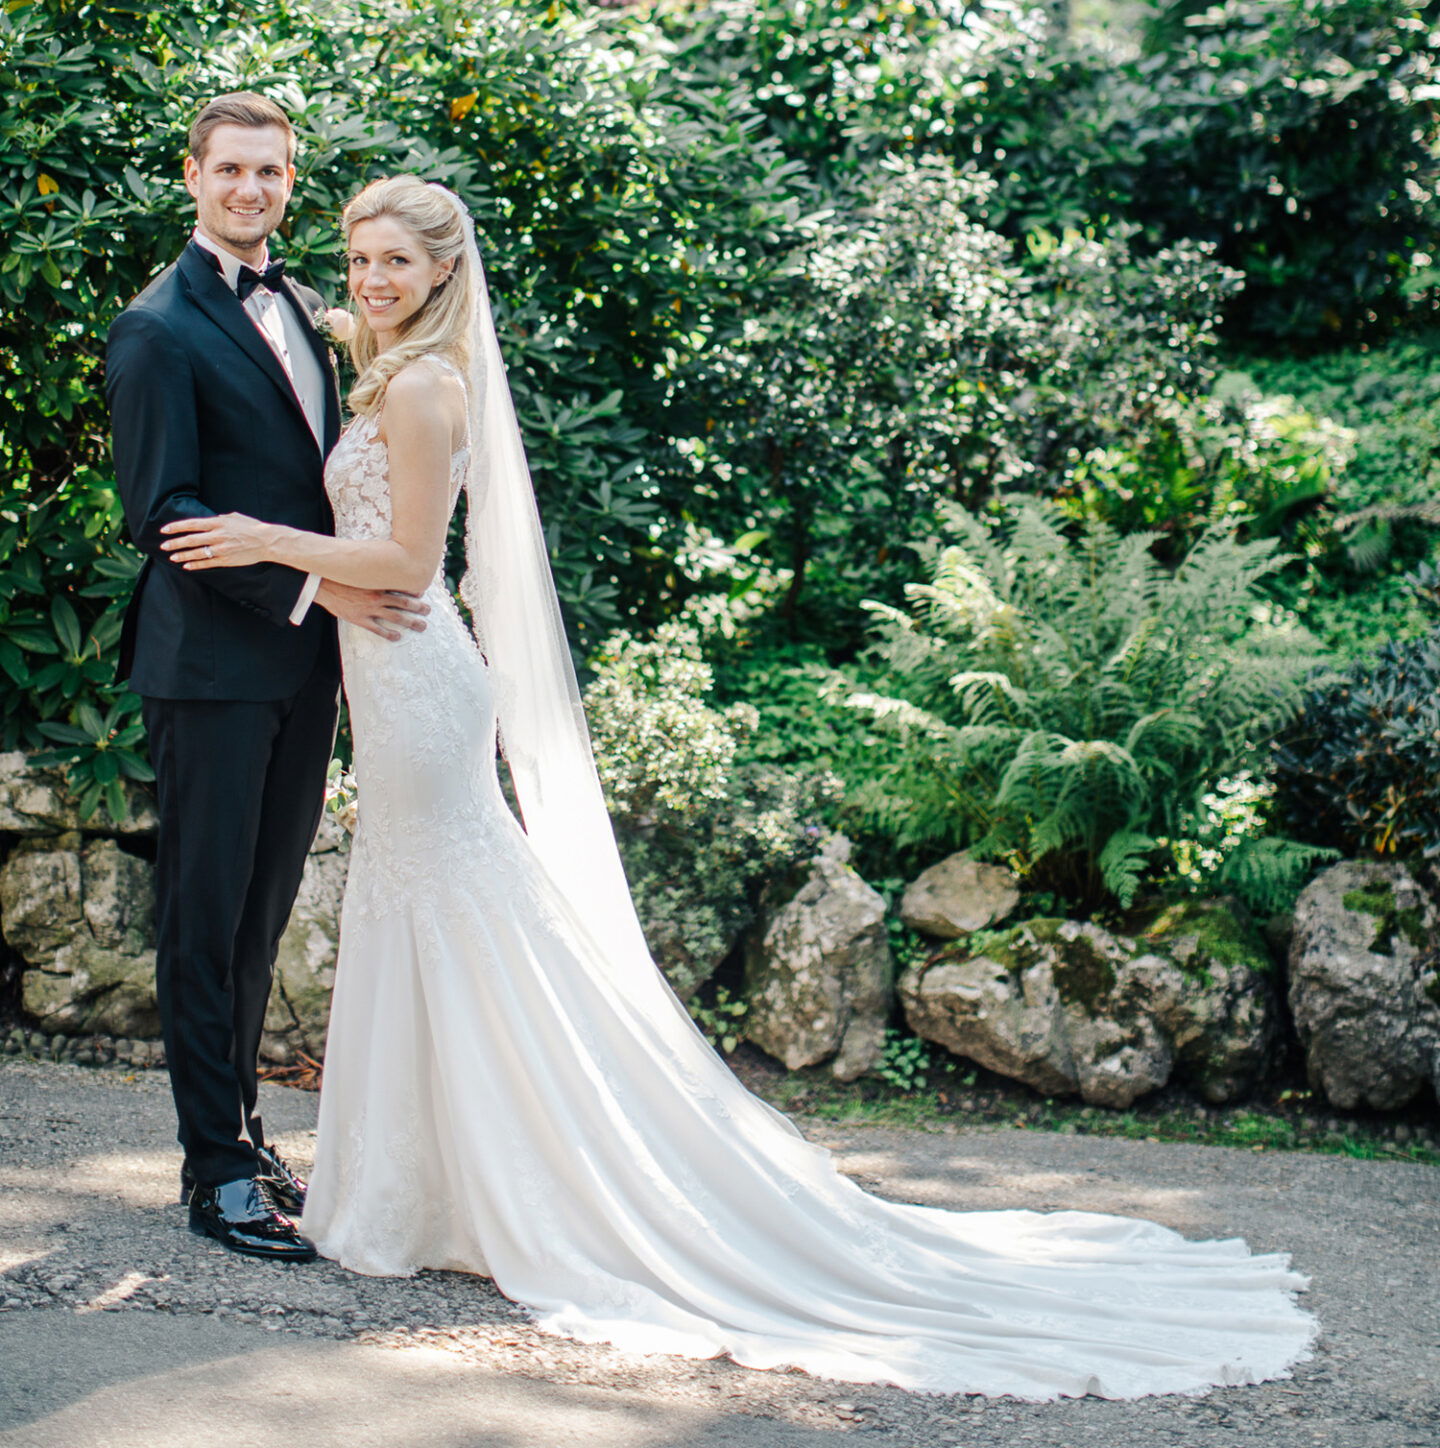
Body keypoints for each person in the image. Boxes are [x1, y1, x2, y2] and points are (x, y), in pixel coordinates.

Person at [160, 174, 1317, 1398]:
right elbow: (343, 487)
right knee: (425, 915)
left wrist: (264, 540)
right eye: (360, 256)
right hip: (387, 685)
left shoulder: (433, 384)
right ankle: (420, 1187)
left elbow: (407, 561)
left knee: (461, 916)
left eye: (398, 260)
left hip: (424, 688)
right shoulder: (386, 363)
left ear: (446, 271)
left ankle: (530, 1181)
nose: (374, 278)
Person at [106, 96, 428, 1264]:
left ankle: (242, 1133)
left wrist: (330, 607)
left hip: (308, 669)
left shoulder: (301, 303)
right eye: (231, 169)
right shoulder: (155, 330)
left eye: (272, 172)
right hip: (212, 667)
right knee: (205, 913)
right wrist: (317, 591)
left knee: (260, 912)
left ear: (291, 182)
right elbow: (166, 517)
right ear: (192, 176)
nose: (251, 189)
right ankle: (213, 1175)